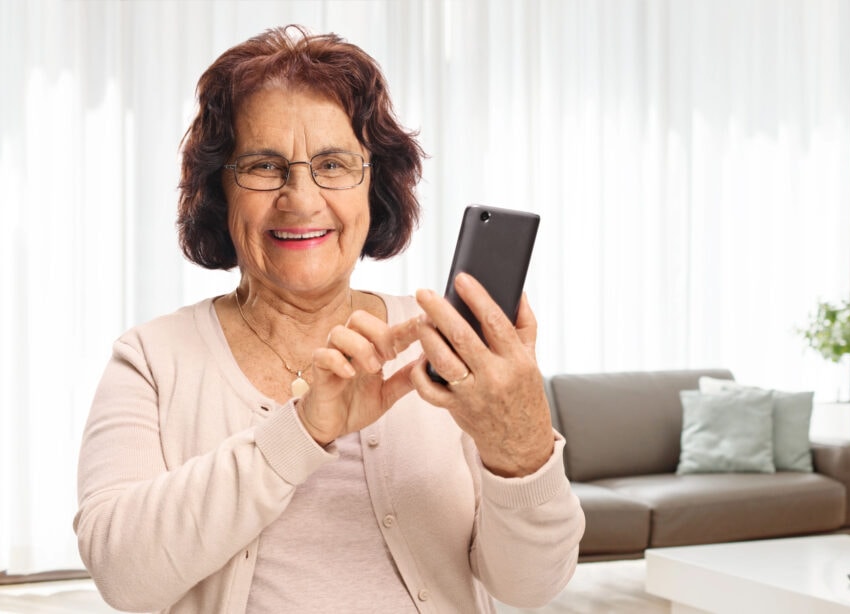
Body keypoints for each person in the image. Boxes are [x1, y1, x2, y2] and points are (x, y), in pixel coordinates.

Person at [74, 25, 584, 613]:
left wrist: (519, 447)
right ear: (221, 190)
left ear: (376, 186)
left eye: (334, 164)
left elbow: (532, 586)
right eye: (264, 166)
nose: (301, 197)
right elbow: (123, 577)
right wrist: (301, 432)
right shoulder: (151, 360)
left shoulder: (445, 348)